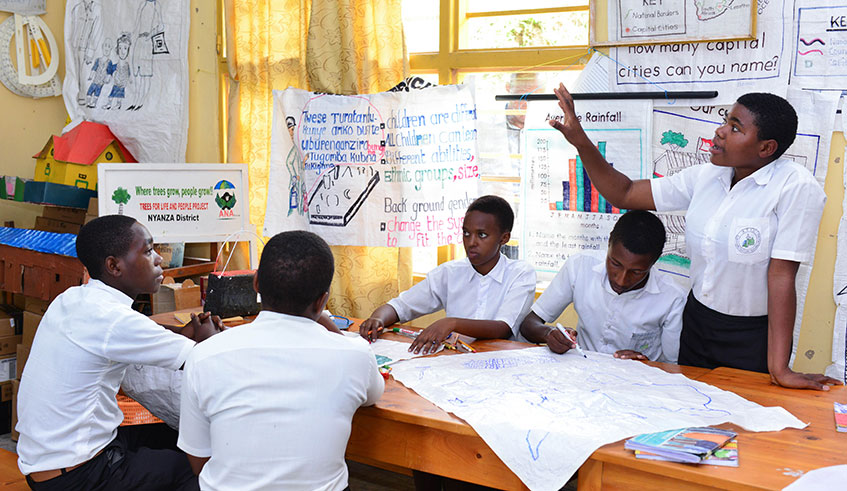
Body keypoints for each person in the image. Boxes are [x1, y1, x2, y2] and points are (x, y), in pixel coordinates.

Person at [549, 84, 842, 390]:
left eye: (735, 127)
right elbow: (624, 193)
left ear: (766, 148)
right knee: (690, 414)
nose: (720, 131)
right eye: (726, 121)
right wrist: (580, 141)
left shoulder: (794, 187)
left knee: (743, 423)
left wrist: (779, 368)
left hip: (749, 335)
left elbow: (782, 275)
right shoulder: (707, 176)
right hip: (697, 324)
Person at [16, 215, 221, 489]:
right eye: (148, 251)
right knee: (199, 468)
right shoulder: (113, 319)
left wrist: (186, 336)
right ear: (114, 266)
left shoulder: (73, 298)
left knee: (180, 437)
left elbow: (144, 336)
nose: (159, 259)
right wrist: (211, 339)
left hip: (50, 462)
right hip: (78, 475)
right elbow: (208, 360)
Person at [177, 230, 384, 490]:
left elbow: (200, 461)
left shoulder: (204, 355)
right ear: (323, 300)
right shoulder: (356, 355)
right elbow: (373, 395)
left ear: (255, 284)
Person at [359, 195, 536, 354]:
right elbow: (401, 307)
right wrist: (377, 318)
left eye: (482, 235)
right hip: (454, 361)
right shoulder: (450, 272)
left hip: (502, 363)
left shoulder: (520, 274)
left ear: (504, 238)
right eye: (466, 233)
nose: (471, 242)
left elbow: (502, 328)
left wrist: (451, 323)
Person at [520, 210, 685, 362]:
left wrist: (647, 365)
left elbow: (674, 365)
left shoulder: (672, 298)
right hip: (581, 372)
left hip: (636, 386)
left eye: (636, 272)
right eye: (615, 263)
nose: (621, 280)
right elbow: (529, 324)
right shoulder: (580, 266)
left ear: (654, 261)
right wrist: (549, 334)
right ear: (609, 241)